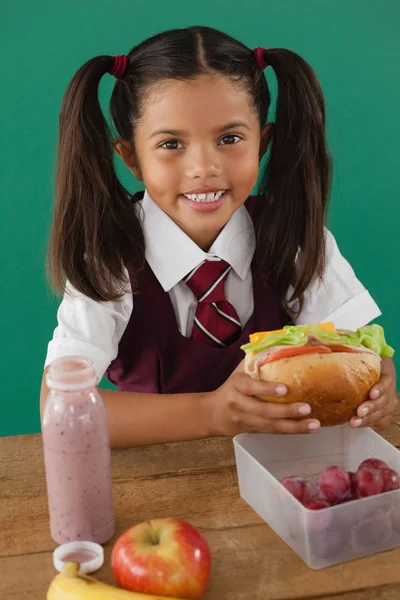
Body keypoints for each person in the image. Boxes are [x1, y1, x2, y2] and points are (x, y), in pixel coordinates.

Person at [40, 26, 397, 448]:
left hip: (282, 471)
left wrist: (380, 387)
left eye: (230, 139)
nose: (204, 167)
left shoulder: (295, 238)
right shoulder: (109, 257)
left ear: (262, 142)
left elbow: (359, 353)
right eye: (171, 143)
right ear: (131, 158)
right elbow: (60, 410)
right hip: (157, 477)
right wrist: (213, 413)